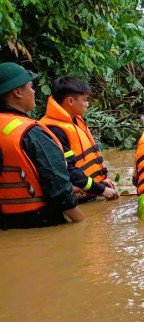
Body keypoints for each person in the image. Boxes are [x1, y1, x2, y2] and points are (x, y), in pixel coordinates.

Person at [0, 62, 84, 229]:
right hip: (38, 220)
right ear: (17, 92)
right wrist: (81, 222)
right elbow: (58, 186)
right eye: (31, 87)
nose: (34, 92)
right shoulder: (31, 132)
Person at [40, 77, 118, 202]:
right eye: (85, 100)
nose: (87, 104)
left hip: (87, 191)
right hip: (74, 196)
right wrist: (101, 190)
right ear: (70, 101)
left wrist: (99, 182)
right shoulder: (54, 130)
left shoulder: (75, 120)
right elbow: (68, 170)